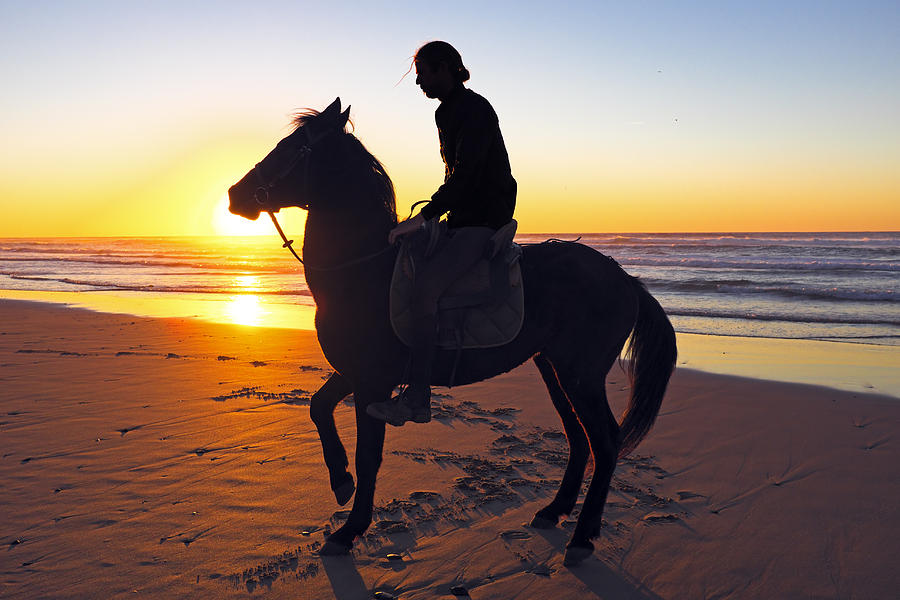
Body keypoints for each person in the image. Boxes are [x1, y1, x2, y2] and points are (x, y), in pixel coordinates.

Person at [366, 41, 517, 426]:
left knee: (425, 289)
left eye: (424, 73)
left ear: (446, 68)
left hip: (483, 219)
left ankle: (418, 398)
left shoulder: (475, 109)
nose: (418, 81)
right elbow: (455, 176)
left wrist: (428, 214)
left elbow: (466, 175)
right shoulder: (445, 112)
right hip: (464, 215)